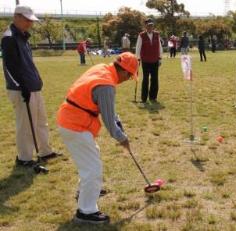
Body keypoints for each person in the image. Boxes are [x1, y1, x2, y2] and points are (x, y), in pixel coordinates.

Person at [56, 52, 138, 224]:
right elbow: (108, 121)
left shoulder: (102, 69)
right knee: (93, 168)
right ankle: (85, 211)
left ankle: (85, 191)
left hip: (70, 119)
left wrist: (118, 122)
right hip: (74, 124)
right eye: (130, 75)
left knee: (91, 159)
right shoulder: (106, 84)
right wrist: (122, 138)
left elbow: (109, 110)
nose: (128, 79)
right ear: (123, 70)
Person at [1, 5, 61, 167]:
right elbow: (9, 66)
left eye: (31, 20)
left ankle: (45, 151)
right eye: (27, 20)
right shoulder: (9, 38)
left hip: (33, 86)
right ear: (17, 17)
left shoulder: (23, 36)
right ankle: (24, 157)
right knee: (26, 125)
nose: (30, 23)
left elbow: (28, 64)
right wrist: (22, 87)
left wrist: (37, 79)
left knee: (41, 121)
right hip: (21, 89)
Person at [136, 18, 163, 104]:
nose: (150, 27)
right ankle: (144, 98)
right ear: (145, 26)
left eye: (151, 25)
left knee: (155, 79)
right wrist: (138, 58)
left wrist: (160, 57)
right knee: (145, 79)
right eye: (148, 25)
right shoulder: (141, 35)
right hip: (145, 61)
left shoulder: (157, 34)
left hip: (155, 60)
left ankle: (153, 97)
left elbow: (159, 46)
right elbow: (138, 47)